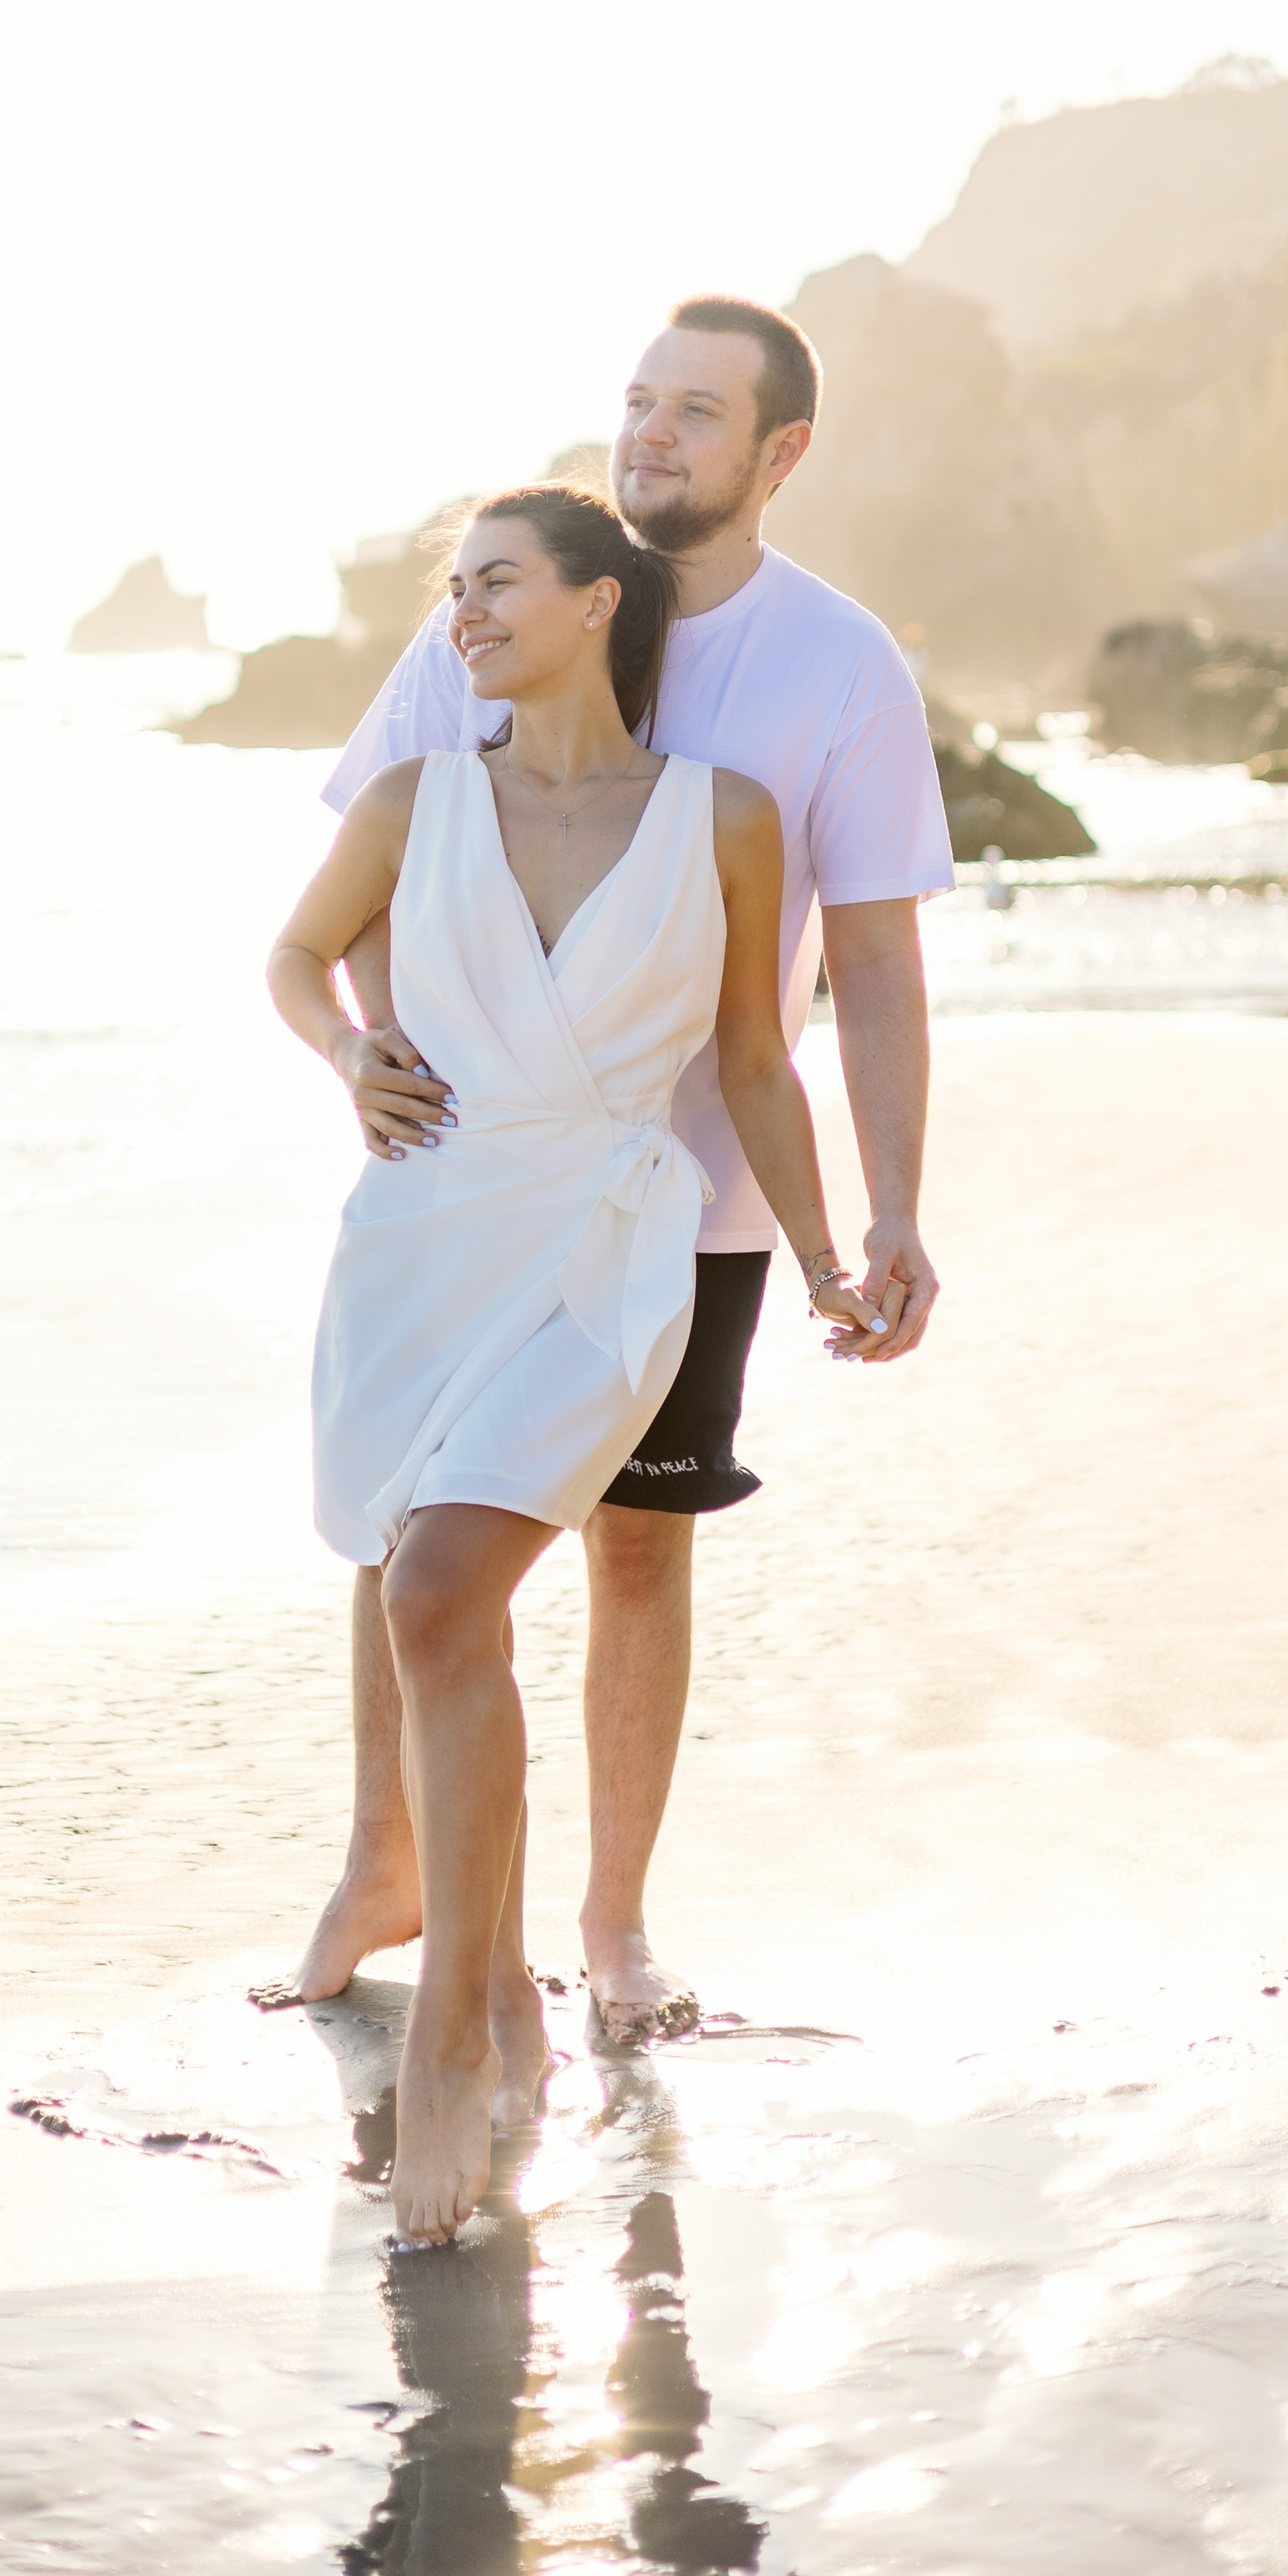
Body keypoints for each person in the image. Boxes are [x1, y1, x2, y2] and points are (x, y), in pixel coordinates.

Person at [286, 294, 954, 2042]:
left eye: (695, 412)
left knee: (639, 1547)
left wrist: (881, 1213)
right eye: (637, 400)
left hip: (703, 1194)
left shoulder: (836, 665)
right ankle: (389, 1863)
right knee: (407, 1524)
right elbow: (381, 863)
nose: (650, 434)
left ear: (777, 452)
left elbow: (868, 964)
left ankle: (612, 1919)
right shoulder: (502, 604)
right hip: (476, 1175)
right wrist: (377, 1049)